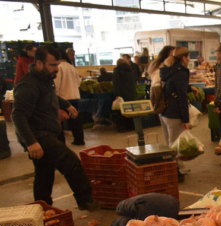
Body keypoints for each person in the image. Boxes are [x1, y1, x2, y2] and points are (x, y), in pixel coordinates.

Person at [11, 45, 102, 211]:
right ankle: (85, 200)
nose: (57, 69)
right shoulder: (28, 86)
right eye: (53, 65)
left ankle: (42, 207)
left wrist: (66, 105)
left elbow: (51, 96)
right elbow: (17, 116)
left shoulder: (44, 80)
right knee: (71, 162)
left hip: (49, 132)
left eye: (57, 64)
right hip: (38, 136)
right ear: (39, 63)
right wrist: (31, 142)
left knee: (44, 172)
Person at [160, 47, 191, 180]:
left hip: (164, 111)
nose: (189, 59)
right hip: (174, 113)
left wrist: (190, 87)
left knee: (169, 142)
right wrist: (185, 119)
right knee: (175, 144)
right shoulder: (180, 73)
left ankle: (174, 168)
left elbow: (172, 86)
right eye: (189, 56)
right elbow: (182, 98)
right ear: (184, 57)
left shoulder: (167, 70)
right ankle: (175, 172)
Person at [54, 49, 84, 146]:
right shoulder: (72, 67)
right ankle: (79, 140)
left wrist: (55, 97)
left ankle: (61, 143)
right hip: (75, 96)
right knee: (75, 121)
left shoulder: (59, 68)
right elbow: (78, 83)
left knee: (60, 122)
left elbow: (56, 84)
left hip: (63, 98)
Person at [113, 58, 137, 132]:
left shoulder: (117, 71)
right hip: (132, 93)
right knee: (130, 110)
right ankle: (132, 126)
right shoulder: (131, 70)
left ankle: (123, 127)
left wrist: (117, 94)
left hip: (122, 93)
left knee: (122, 111)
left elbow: (116, 83)